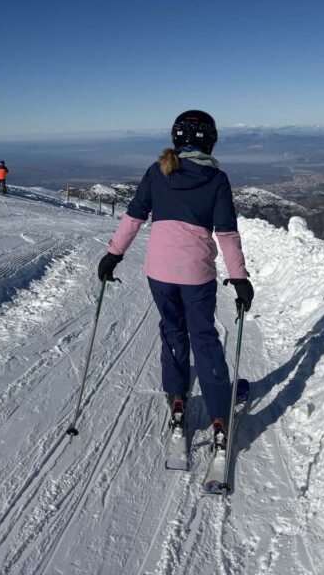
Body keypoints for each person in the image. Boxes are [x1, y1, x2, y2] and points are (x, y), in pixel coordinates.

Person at [97, 109, 254, 454]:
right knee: (204, 337)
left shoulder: (158, 172)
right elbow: (227, 235)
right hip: (196, 275)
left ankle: (177, 400)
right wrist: (240, 278)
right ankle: (218, 416)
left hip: (159, 273)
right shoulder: (217, 180)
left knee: (172, 331)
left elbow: (133, 217)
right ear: (210, 141)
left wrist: (113, 255)